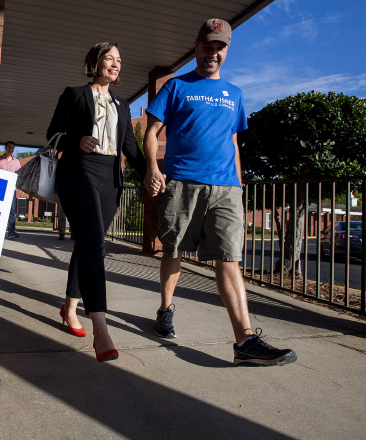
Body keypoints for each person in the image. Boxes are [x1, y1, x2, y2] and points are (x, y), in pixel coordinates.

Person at [143, 19, 297, 366]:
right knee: (174, 248)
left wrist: (239, 187)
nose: (213, 52)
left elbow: (233, 141)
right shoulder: (176, 87)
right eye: (208, 45)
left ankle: (245, 341)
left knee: (230, 257)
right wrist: (153, 168)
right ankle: (165, 309)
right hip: (183, 180)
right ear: (197, 45)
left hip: (226, 188)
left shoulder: (235, 94)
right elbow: (152, 131)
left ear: (226, 50)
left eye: (220, 47)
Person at [47, 42, 147, 362]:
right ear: (95, 62)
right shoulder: (74, 94)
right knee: (93, 244)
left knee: (89, 244)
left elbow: (130, 147)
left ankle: (69, 307)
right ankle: (101, 329)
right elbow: (52, 134)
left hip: (109, 178)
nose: (115, 64)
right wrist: (75, 140)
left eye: (119, 60)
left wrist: (151, 173)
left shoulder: (123, 104)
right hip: (79, 170)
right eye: (109, 58)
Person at [0, 141, 21, 238]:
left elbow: (18, 176)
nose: (11, 149)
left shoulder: (16, 162)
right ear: (5, 148)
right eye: (9, 147)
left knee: (12, 210)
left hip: (11, 190)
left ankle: (11, 232)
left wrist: (20, 189)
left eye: (12, 147)